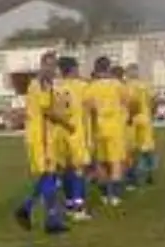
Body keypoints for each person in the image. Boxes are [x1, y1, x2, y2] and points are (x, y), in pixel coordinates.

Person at [14, 52, 70, 235]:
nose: (53, 70)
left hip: (45, 136)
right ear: (43, 65)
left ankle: (27, 208)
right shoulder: (39, 85)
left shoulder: (44, 84)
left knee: (48, 176)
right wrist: (67, 124)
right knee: (49, 176)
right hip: (41, 138)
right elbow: (47, 112)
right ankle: (51, 220)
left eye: (54, 66)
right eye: (50, 66)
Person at [85, 57, 130, 207]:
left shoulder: (91, 87)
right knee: (116, 162)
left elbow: (88, 108)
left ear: (96, 69)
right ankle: (115, 196)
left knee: (101, 162)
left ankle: (105, 194)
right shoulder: (118, 85)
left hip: (98, 128)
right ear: (109, 68)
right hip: (115, 128)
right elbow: (126, 102)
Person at [56, 56, 94, 220]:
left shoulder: (55, 87)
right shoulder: (82, 86)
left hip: (59, 132)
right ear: (73, 69)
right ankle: (79, 209)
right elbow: (92, 107)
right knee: (79, 170)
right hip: (76, 131)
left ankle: (70, 204)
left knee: (66, 169)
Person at [124, 66, 159, 186]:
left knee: (132, 149)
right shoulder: (145, 85)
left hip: (131, 119)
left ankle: (132, 178)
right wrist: (152, 111)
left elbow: (131, 103)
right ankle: (149, 175)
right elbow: (155, 98)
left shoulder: (126, 86)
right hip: (144, 118)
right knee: (147, 148)